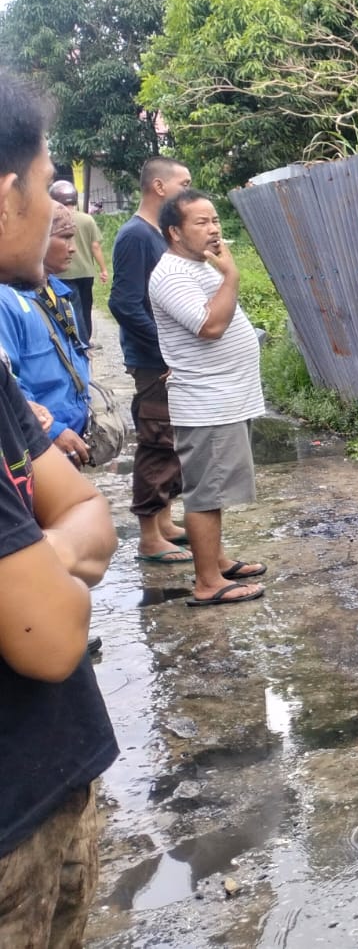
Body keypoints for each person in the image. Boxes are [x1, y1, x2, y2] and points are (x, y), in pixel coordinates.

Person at [0, 71, 119, 947]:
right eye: (47, 188)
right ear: (7, 194)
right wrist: (53, 565)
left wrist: (47, 557)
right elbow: (49, 636)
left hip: (46, 780)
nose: (58, 213)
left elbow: (90, 517)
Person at [147, 191, 269, 607]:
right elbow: (210, 326)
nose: (214, 228)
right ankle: (207, 582)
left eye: (215, 220)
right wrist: (232, 277)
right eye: (201, 223)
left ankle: (216, 560)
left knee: (217, 489)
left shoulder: (199, 265)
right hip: (207, 401)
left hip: (228, 397)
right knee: (206, 492)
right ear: (175, 232)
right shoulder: (171, 274)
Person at [109, 157, 191, 564]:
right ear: (159, 187)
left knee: (172, 441)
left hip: (167, 358)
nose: (188, 191)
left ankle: (165, 523)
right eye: (183, 183)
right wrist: (167, 348)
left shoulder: (158, 235)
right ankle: (148, 536)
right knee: (157, 443)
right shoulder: (135, 236)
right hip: (153, 360)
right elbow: (124, 304)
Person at [0, 204, 93, 467]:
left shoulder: (58, 291)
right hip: (36, 446)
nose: (72, 247)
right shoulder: (7, 301)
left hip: (69, 439)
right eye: (64, 237)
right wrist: (52, 431)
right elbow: (9, 383)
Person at [49, 181, 107, 349]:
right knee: (86, 306)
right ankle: (86, 338)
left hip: (64, 273)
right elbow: (95, 246)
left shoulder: (55, 219)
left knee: (75, 309)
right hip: (86, 272)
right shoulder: (87, 219)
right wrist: (103, 269)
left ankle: (81, 342)